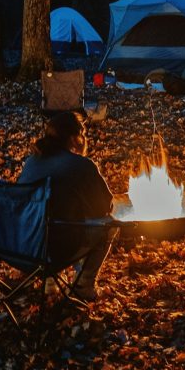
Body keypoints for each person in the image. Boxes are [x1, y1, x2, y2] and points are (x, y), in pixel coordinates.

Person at [18, 111, 115, 300]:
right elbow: (105, 206)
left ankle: (50, 282)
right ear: (74, 137)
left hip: (24, 244)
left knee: (54, 220)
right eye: (83, 134)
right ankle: (83, 286)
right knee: (108, 225)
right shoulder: (81, 165)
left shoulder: (32, 161)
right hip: (58, 247)